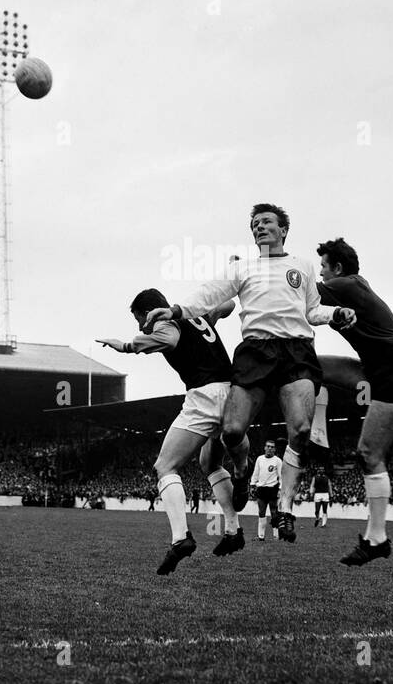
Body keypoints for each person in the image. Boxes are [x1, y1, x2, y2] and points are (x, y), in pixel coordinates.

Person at [145, 204, 356, 547]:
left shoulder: (300, 266)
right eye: (255, 224)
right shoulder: (244, 268)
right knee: (231, 431)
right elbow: (210, 294)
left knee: (301, 428)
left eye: (267, 222)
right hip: (256, 352)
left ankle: (285, 508)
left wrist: (335, 313)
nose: (260, 227)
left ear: (283, 229)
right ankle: (242, 472)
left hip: (296, 350)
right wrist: (176, 310)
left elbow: (313, 310)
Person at [97, 289, 241, 575]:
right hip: (232, 395)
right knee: (209, 463)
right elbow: (229, 303)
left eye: (140, 319)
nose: (141, 326)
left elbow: (170, 337)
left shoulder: (166, 323)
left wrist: (126, 346)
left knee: (165, 466)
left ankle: (181, 539)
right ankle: (234, 530)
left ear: (151, 310)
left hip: (205, 395)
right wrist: (210, 309)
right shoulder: (193, 315)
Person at [314, 237, 393, 566]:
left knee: (368, 454)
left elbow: (302, 292)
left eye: (323, 267)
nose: (320, 273)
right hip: (378, 371)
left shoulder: (345, 285)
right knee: (309, 365)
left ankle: (377, 539)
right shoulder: (352, 286)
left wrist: (262, 276)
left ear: (337, 268)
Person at [249, 439, 283, 541]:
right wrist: (252, 485)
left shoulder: (278, 461)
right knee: (261, 512)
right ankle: (261, 536)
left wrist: (280, 489)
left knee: (274, 512)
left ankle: (276, 536)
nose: (269, 448)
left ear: (275, 449)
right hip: (261, 489)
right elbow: (256, 473)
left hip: (273, 489)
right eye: (268, 446)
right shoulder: (259, 459)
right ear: (265, 448)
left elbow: (281, 477)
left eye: (272, 447)